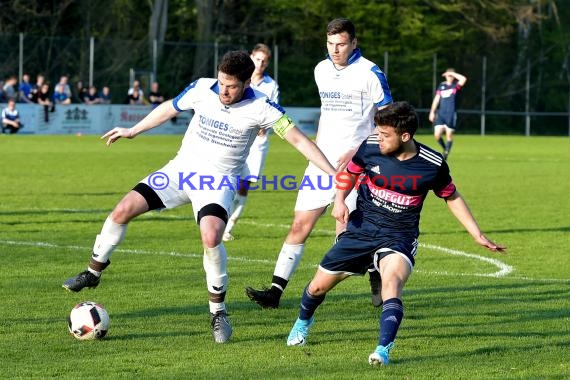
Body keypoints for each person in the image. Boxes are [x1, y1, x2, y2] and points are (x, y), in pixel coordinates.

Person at [61, 50, 337, 344]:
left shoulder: (263, 107)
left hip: (217, 182)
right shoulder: (203, 88)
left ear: (246, 83)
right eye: (222, 83)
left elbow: (298, 140)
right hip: (180, 171)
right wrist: (134, 131)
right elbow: (169, 108)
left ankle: (218, 312)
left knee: (211, 237)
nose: (224, 90)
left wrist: (333, 173)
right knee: (122, 210)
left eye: (231, 86)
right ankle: (93, 272)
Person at [285, 101, 506, 366]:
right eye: (377, 132)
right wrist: (341, 200)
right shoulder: (369, 147)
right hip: (361, 229)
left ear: (405, 136)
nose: (378, 138)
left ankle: (382, 350)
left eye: (385, 134)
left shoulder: (432, 164)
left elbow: (451, 196)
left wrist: (476, 233)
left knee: (392, 286)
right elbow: (350, 173)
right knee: (317, 286)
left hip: (399, 236)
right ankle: (302, 323)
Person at [246, 18, 393, 309]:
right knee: (300, 224)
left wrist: (358, 150)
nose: (335, 50)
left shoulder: (370, 72)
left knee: (346, 231)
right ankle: (275, 292)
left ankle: (374, 270)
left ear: (353, 43)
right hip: (320, 162)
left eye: (341, 44)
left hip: (357, 166)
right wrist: (317, 147)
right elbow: (327, 113)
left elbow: (388, 120)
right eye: (330, 44)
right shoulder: (321, 69)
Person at [222, 43, 280, 242]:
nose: (260, 63)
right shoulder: (237, 79)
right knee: (226, 178)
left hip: (258, 142)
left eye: (264, 61)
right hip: (235, 136)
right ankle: (217, 219)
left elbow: (274, 112)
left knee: (244, 185)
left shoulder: (271, 86)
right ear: (251, 57)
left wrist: (264, 127)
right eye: (257, 59)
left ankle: (229, 226)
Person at [428, 68, 467, 160]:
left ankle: (446, 153)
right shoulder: (441, 86)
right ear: (445, 76)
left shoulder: (455, 86)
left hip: (451, 114)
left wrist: (452, 73)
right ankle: (445, 149)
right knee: (437, 135)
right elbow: (436, 99)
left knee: (449, 135)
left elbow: (463, 79)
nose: (450, 77)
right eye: (448, 75)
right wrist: (432, 112)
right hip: (441, 114)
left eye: (451, 75)